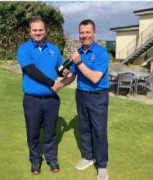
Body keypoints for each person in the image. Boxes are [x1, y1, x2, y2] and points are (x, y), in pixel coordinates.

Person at [56, 19, 109, 180]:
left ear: (94, 33)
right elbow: (72, 76)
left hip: (98, 96)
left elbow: (95, 78)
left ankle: (102, 166)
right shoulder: (78, 53)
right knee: (84, 128)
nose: (84, 35)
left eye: (87, 32)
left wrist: (79, 62)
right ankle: (88, 156)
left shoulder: (101, 53)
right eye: (82, 32)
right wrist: (59, 84)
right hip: (81, 94)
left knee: (99, 131)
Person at [17, 16, 66, 175]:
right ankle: (35, 161)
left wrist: (63, 70)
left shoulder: (54, 49)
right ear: (30, 31)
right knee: (33, 133)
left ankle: (51, 159)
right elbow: (31, 70)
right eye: (35, 30)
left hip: (52, 100)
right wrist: (52, 83)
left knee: (51, 132)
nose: (38, 33)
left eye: (41, 30)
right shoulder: (24, 49)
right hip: (32, 100)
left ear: (45, 31)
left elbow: (59, 68)